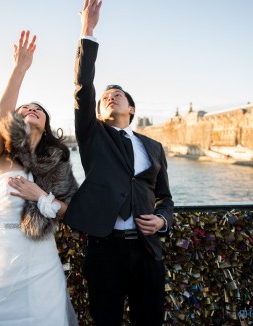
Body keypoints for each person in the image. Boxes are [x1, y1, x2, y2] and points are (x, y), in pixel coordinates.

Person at [63, 1, 175, 325]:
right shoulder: (92, 135)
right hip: (104, 250)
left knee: (150, 320)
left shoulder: (153, 147)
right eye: (105, 97)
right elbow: (83, 88)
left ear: (132, 108)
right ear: (98, 112)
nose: (110, 97)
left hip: (148, 250)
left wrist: (162, 222)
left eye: (118, 95)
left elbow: (165, 198)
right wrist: (88, 31)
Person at [0, 30, 78, 326]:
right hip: (0, 263)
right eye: (25, 108)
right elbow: (1, 114)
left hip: (42, 263)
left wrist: (39, 196)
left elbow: (72, 213)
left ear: (47, 123)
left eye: (39, 109)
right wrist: (19, 69)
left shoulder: (57, 167)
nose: (32, 109)